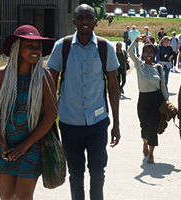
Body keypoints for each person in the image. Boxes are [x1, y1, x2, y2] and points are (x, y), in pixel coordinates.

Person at [47, 4, 121, 200]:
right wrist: (48, 119)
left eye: (89, 17)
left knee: (98, 172)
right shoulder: (61, 47)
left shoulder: (106, 47)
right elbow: (51, 85)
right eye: (80, 18)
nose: (85, 21)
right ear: (74, 22)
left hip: (97, 124)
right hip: (69, 123)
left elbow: (113, 87)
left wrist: (116, 123)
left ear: (96, 22)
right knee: (75, 174)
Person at [0, 25, 57, 200]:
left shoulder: (43, 77)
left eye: (38, 46)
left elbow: (51, 115)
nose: (35, 50)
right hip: (5, 143)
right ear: (17, 48)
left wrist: (25, 145)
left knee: (24, 196)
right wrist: (1, 142)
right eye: (29, 46)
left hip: (32, 144)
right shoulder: (1, 75)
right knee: (6, 196)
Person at [128, 34, 169, 164]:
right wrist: (136, 40)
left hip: (156, 100)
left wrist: (167, 101)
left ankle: (151, 154)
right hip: (144, 100)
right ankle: (145, 143)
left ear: (154, 54)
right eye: (147, 52)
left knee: (153, 127)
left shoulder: (158, 68)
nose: (149, 54)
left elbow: (162, 86)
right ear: (144, 53)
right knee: (144, 126)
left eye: (151, 52)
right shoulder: (139, 65)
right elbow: (129, 52)